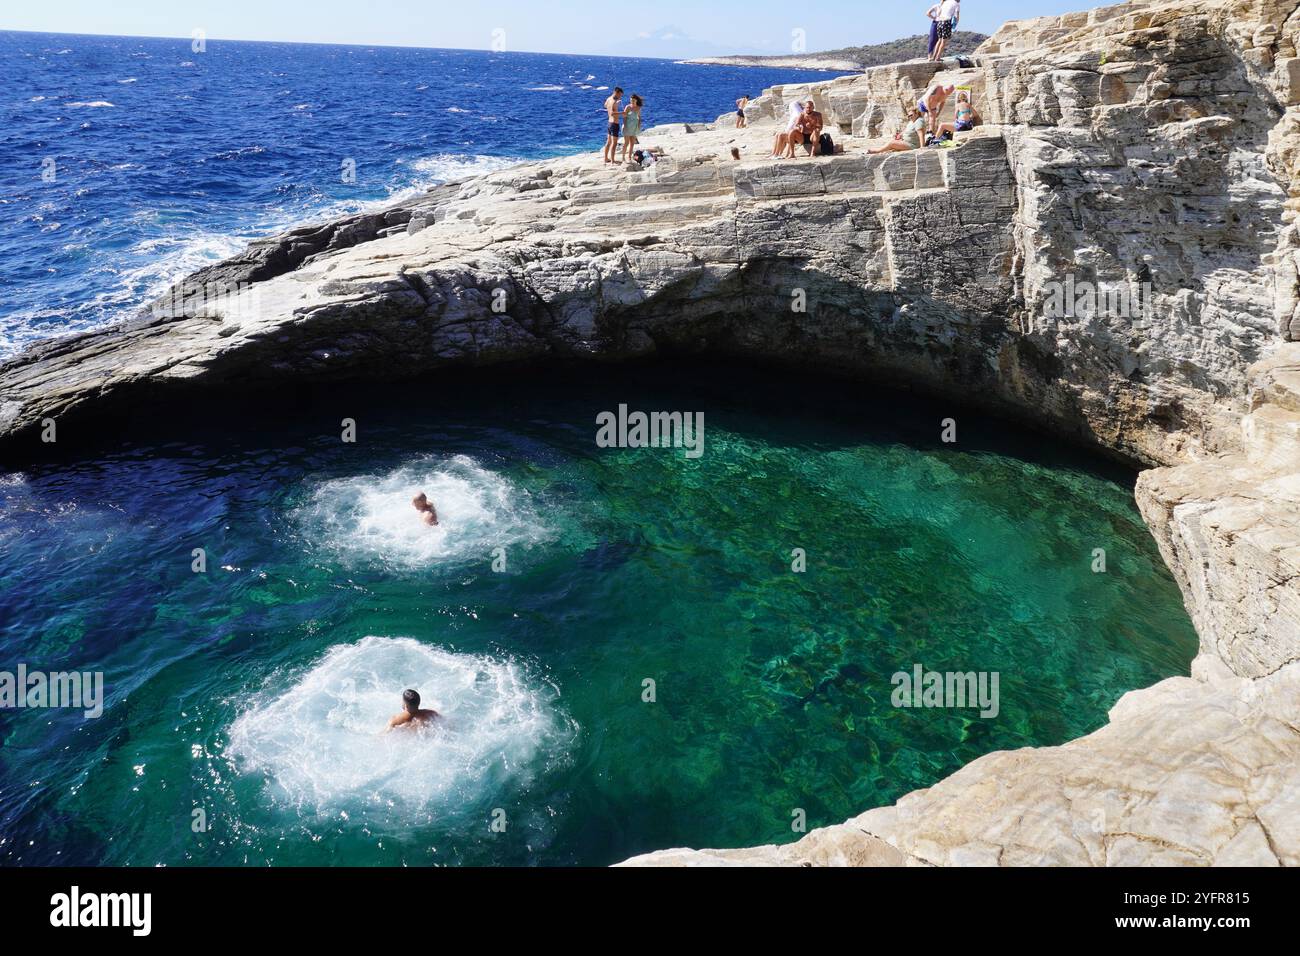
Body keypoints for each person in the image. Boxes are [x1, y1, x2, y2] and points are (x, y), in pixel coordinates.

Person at [603, 87, 624, 164]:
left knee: (608, 142)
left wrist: (616, 105)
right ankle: (612, 161)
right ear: (616, 92)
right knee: (614, 143)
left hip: (609, 123)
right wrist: (622, 113)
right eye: (620, 95)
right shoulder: (614, 101)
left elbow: (605, 105)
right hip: (614, 124)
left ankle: (605, 158)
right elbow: (612, 113)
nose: (620, 97)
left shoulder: (609, 99)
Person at [621, 94, 643, 163]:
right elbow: (624, 117)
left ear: (636, 100)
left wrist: (639, 126)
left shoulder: (638, 108)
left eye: (633, 100)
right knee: (626, 143)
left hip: (634, 127)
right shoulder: (628, 107)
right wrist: (625, 126)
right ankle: (623, 157)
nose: (632, 102)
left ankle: (629, 157)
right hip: (627, 126)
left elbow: (639, 118)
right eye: (631, 100)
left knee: (632, 143)